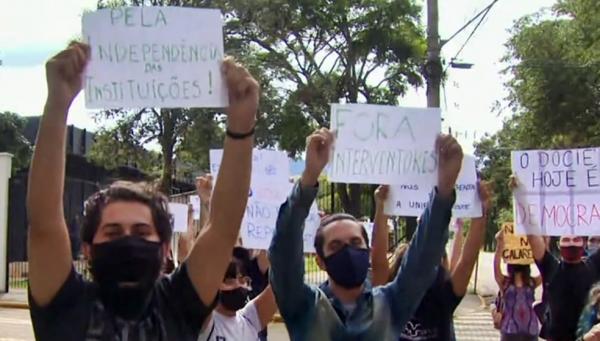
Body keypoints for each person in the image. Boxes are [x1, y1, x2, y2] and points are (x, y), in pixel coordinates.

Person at [26, 42, 259, 340]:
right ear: (87, 249)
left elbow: (224, 227)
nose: (128, 241)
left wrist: (241, 123)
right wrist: (57, 103)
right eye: (112, 232)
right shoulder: (64, 303)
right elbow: (44, 222)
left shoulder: (178, 302)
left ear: (164, 249)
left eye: (140, 231)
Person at [269, 128, 464, 340]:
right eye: (336, 246)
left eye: (355, 242)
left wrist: (444, 190)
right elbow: (283, 253)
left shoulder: (391, 303)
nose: (348, 250)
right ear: (320, 261)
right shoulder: (302, 305)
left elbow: (423, 259)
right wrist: (308, 179)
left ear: (367, 249)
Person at [370, 182, 491, 340]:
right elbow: (378, 262)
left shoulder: (444, 295)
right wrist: (481, 213)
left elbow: (467, 262)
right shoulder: (389, 295)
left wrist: (382, 209)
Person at [198, 247, 277, 340]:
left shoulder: (249, 320)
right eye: (230, 277)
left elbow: (283, 284)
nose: (236, 283)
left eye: (242, 278)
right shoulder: (206, 323)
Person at [494, 231, 541, 341]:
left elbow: (545, 270)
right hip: (510, 332)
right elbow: (496, 268)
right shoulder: (505, 282)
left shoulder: (531, 282)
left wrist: (543, 245)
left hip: (530, 332)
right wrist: (500, 244)